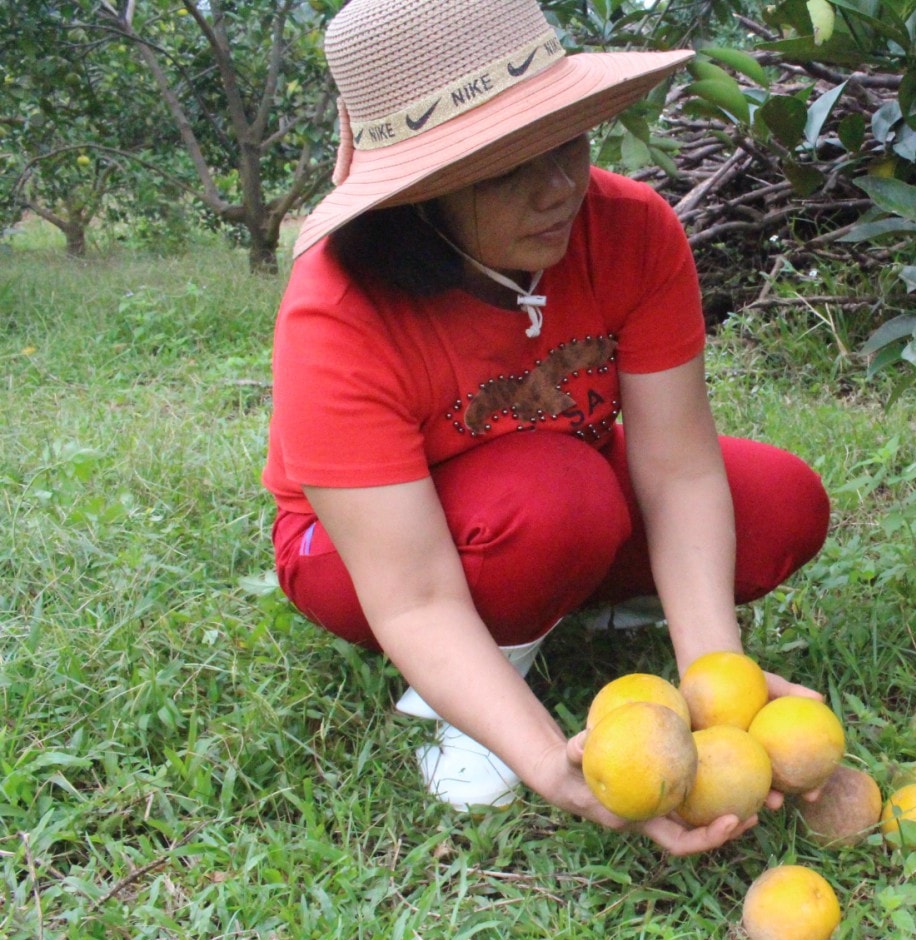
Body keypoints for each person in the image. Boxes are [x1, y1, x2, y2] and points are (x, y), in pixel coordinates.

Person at [264, 0, 830, 855]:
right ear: (421, 193)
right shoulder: (340, 312)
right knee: (554, 498)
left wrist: (719, 692)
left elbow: (677, 469)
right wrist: (540, 756)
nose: (559, 188)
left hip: (563, 486)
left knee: (779, 504)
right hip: (368, 558)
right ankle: (476, 700)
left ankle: (564, 606)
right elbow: (411, 592)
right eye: (503, 170)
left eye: (566, 140)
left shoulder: (632, 229)